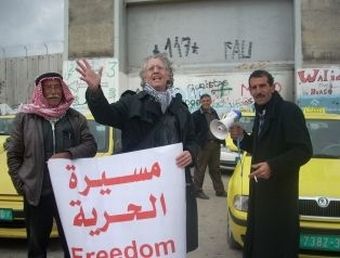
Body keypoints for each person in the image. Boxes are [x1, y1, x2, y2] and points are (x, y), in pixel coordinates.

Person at [75, 53, 199, 252]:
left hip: (174, 189)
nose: (156, 71)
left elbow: (193, 140)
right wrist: (95, 90)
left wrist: (191, 153)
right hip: (141, 192)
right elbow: (105, 114)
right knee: (143, 244)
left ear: (169, 75)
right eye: (151, 69)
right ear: (144, 77)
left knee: (173, 244)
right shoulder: (131, 102)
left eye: (160, 68)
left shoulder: (181, 108)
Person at [7, 72, 97, 258]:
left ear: (63, 90)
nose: (54, 92)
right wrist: (22, 185)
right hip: (37, 193)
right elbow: (14, 154)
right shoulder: (25, 119)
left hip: (70, 194)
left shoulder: (75, 118)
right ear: (40, 91)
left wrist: (68, 154)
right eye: (49, 88)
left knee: (73, 245)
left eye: (57, 87)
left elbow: (90, 146)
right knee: (36, 246)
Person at [229, 70, 313, 258]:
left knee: (276, 247)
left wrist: (273, 166)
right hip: (260, 195)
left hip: (280, 198)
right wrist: (242, 137)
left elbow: (304, 151)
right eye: (254, 87)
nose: (258, 91)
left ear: (272, 87)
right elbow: (261, 148)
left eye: (262, 86)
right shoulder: (262, 112)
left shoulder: (288, 111)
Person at [192, 94, 227, 199]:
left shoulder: (214, 112)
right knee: (200, 169)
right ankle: (197, 191)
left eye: (208, 100)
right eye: (204, 101)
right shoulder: (196, 115)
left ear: (211, 101)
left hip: (215, 144)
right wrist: (197, 144)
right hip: (203, 146)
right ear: (200, 102)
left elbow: (219, 126)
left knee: (215, 169)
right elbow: (192, 131)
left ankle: (219, 191)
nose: (206, 102)